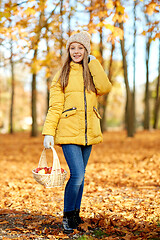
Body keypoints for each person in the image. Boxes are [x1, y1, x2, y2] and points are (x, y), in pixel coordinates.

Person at [42, 31, 112, 233]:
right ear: (68, 51)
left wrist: (94, 63)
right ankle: (67, 216)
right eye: (72, 48)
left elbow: (105, 88)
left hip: (88, 132)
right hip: (68, 131)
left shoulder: (91, 71)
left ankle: (75, 215)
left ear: (86, 50)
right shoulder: (62, 75)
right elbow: (54, 107)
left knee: (82, 176)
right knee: (77, 175)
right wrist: (49, 132)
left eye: (80, 48)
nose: (76, 51)